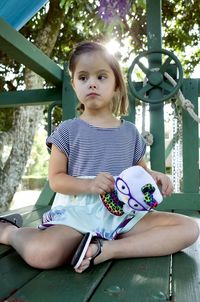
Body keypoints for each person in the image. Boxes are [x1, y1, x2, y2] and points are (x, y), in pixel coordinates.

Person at [0, 41, 199, 274]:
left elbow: (140, 172)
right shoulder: (66, 130)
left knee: (189, 229)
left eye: (101, 77)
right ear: (74, 85)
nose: (92, 83)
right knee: (42, 254)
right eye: (83, 78)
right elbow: (56, 180)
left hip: (125, 214)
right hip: (77, 214)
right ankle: (9, 232)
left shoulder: (130, 132)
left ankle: (108, 249)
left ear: (116, 85)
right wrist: (89, 184)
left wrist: (155, 176)